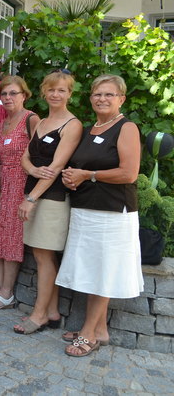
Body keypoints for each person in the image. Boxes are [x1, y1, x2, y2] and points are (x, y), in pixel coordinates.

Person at [57, 74, 143, 357]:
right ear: (90, 97)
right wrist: (73, 177)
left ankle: (87, 334)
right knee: (93, 271)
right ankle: (99, 330)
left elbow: (129, 173)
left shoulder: (125, 128)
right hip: (85, 211)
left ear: (121, 99)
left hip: (112, 214)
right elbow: (80, 167)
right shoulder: (89, 128)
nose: (102, 99)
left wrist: (88, 175)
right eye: (97, 94)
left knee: (102, 274)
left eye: (109, 94)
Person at [13, 69, 82, 335]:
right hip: (34, 191)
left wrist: (30, 198)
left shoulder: (72, 125)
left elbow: (56, 167)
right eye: (51, 89)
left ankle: (39, 314)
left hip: (51, 198)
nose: (55, 94)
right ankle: (52, 312)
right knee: (43, 255)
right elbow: (25, 158)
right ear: (44, 91)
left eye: (61, 90)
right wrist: (31, 172)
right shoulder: (40, 122)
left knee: (43, 256)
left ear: (69, 94)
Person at [0, 76, 39, 309]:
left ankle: (7, 293)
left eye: (13, 93)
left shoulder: (31, 119)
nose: (7, 98)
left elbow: (41, 153)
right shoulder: (1, 124)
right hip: (4, 184)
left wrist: (31, 194)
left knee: (13, 238)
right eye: (4, 94)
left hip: (22, 184)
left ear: (24, 95)